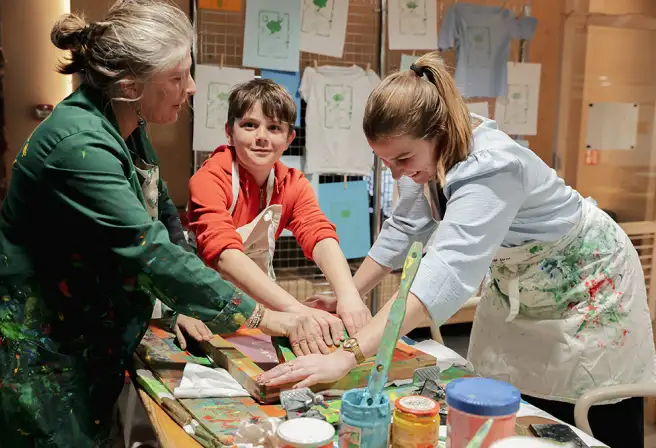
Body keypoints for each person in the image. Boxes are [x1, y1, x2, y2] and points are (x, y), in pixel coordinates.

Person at [259, 52, 656, 448]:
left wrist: (347, 356)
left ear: (440, 131)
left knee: (585, 407)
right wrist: (348, 295)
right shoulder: (429, 153)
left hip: (588, 282)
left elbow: (442, 273)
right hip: (521, 276)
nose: (397, 172)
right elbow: (403, 229)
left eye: (402, 159)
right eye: (385, 161)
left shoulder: (492, 166)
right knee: (505, 396)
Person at [0, 2, 313, 446]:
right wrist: (264, 317)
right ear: (130, 84)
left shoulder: (125, 118)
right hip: (45, 355)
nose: (192, 87)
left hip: (91, 337)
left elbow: (162, 214)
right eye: (177, 78)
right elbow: (149, 250)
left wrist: (179, 309)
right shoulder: (78, 146)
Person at [183, 79, 371, 356]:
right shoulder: (209, 179)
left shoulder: (292, 184)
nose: (262, 137)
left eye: (274, 128)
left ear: (289, 139)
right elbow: (223, 253)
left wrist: (348, 296)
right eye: (249, 125)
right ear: (229, 131)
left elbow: (319, 235)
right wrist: (295, 310)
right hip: (201, 306)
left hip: (259, 305)